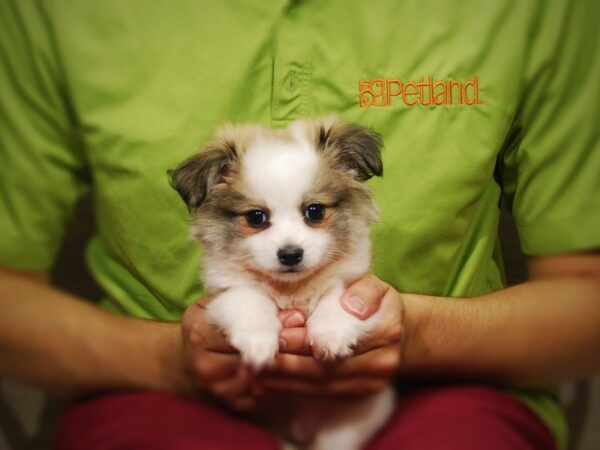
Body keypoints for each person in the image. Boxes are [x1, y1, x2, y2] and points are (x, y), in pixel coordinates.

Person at [0, 1, 598, 449]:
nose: (289, 243)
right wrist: (172, 360)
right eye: (257, 219)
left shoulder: (536, 16)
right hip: (164, 396)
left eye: (314, 213)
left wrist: (418, 335)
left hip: (448, 393)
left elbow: (584, 301)